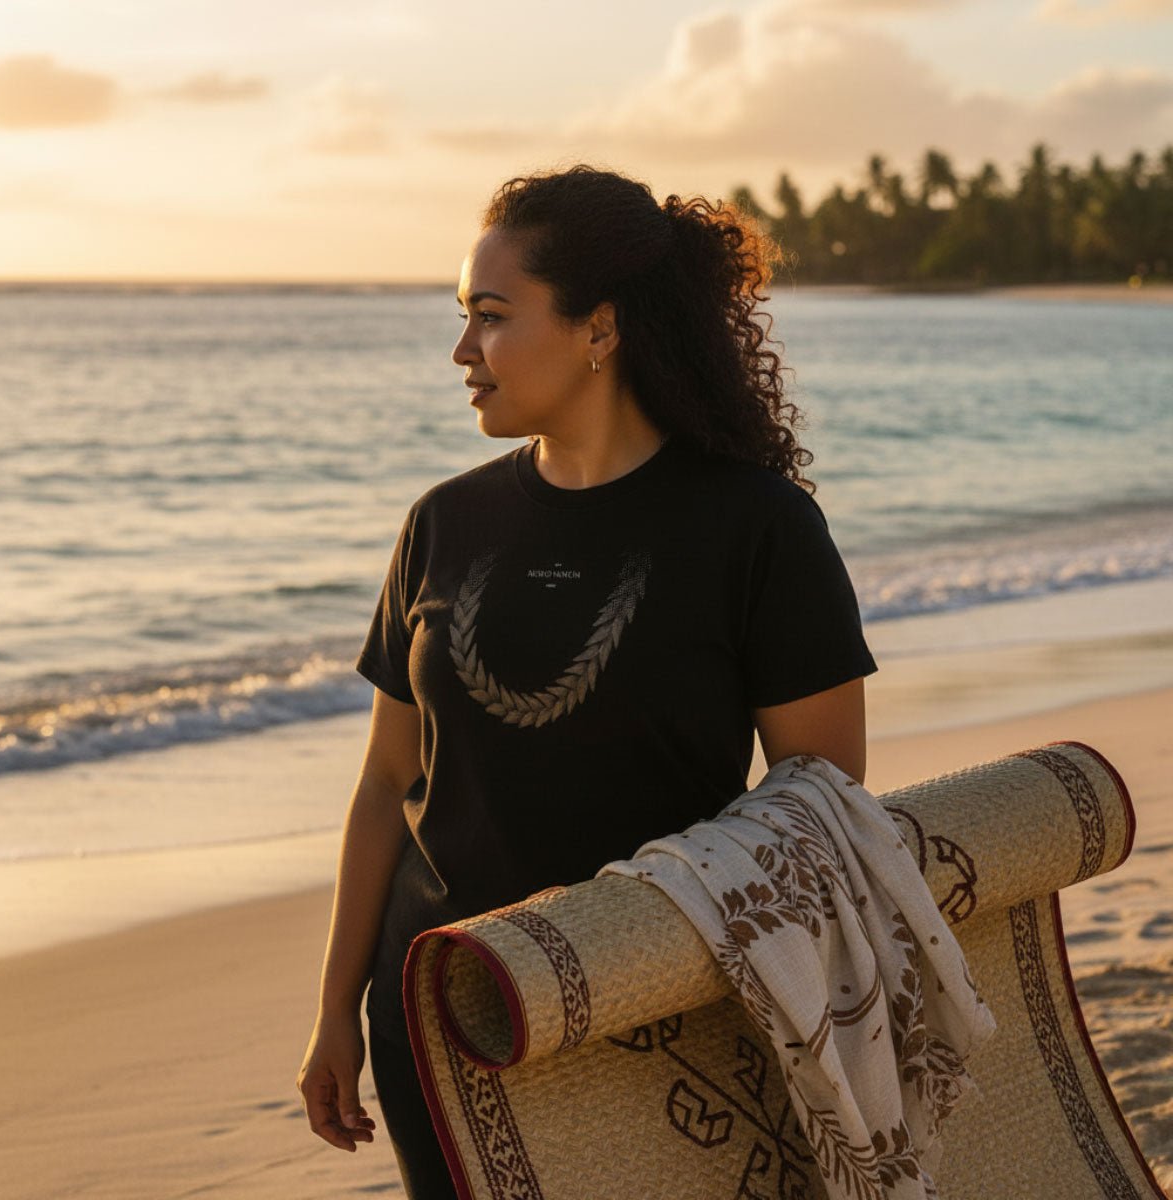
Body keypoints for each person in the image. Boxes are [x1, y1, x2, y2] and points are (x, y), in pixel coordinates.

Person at [296, 164, 877, 1198]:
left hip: (650, 1012)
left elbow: (818, 819)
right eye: (462, 317)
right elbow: (388, 785)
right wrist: (337, 1008)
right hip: (438, 1014)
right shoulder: (444, 523)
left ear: (600, 330)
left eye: (491, 315)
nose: (462, 350)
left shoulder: (757, 531)